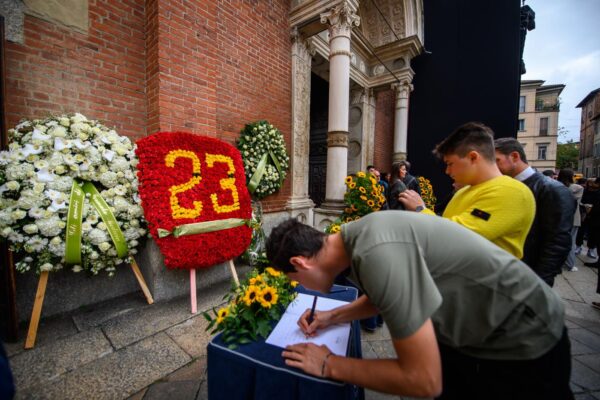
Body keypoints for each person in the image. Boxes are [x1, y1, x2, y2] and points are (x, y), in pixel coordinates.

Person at [266, 213, 573, 399]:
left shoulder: (376, 254)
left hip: (522, 342)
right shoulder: (356, 239)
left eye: (294, 278)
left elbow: (423, 379)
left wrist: (328, 364)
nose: (300, 286)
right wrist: (330, 316)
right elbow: (380, 298)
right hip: (474, 335)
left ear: (300, 262)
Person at [399, 122, 535, 259]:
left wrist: (420, 209)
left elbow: (458, 237)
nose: (447, 171)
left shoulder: (510, 191)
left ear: (473, 157)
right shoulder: (464, 191)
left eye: (450, 163)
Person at [494, 138, 575, 286]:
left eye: (496, 161)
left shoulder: (552, 190)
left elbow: (558, 241)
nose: (492, 167)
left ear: (514, 157)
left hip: (530, 276)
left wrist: (540, 281)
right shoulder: (502, 186)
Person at [557, 169, 584, 272]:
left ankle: (559, 263)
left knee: (558, 241)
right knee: (571, 242)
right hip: (573, 218)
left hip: (559, 218)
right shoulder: (577, 188)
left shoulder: (556, 186)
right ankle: (570, 264)